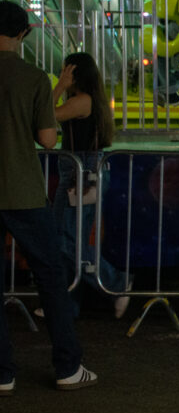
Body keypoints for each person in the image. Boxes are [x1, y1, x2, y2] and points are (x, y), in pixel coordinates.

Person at [0, 0, 97, 393]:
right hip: (23, 191)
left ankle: (3, 374)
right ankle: (66, 367)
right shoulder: (34, 78)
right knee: (51, 277)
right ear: (23, 34)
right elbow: (46, 138)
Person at [51, 52, 131, 319]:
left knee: (66, 240)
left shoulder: (81, 101)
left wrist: (60, 86)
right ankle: (67, 303)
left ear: (75, 73)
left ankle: (116, 281)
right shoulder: (90, 100)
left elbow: (46, 115)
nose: (62, 75)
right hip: (79, 173)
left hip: (81, 174)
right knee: (70, 238)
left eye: (65, 71)